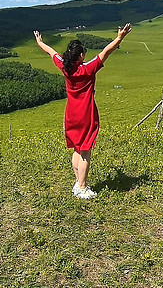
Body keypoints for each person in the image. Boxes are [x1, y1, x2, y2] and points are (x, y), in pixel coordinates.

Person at [33, 24, 132, 200]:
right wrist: (120, 37)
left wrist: (40, 42)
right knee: (85, 151)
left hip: (71, 114)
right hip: (86, 114)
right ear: (81, 55)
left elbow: (51, 52)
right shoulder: (88, 69)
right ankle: (82, 187)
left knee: (77, 149)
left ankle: (78, 182)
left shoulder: (65, 67)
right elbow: (106, 52)